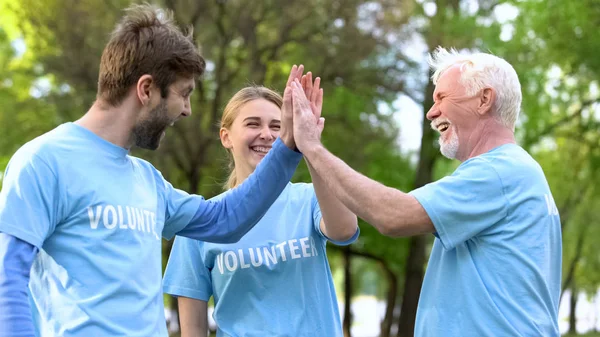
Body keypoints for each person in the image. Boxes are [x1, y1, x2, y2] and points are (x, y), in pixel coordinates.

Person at [0, 4, 306, 337]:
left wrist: (287, 146)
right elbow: (8, 279)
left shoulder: (148, 180)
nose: (187, 110)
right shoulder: (44, 161)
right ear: (146, 89)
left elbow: (225, 220)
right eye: (184, 94)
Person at [289, 47, 562, 336]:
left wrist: (312, 147)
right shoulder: (516, 171)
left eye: (442, 97)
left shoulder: (499, 172)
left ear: (484, 99)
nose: (432, 112)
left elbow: (392, 215)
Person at [162, 75, 359, 337]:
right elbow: (193, 330)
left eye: (277, 126)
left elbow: (344, 230)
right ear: (226, 137)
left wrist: (311, 145)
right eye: (253, 124)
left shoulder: (309, 199)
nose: (266, 134)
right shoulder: (202, 220)